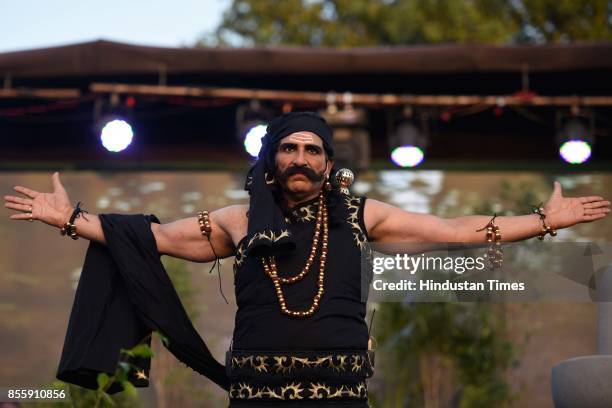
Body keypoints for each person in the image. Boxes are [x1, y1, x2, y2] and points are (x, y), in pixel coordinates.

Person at [4, 111, 611, 407]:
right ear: (272, 160)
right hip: (257, 394)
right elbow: (154, 238)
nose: (299, 157)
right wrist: (72, 222)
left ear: (327, 162)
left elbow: (452, 228)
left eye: (311, 149)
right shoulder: (240, 220)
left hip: (340, 396)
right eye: (288, 148)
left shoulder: (361, 214)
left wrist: (542, 221)